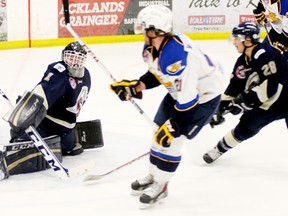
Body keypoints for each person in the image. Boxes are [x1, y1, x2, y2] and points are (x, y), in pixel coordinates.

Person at [110, 5, 223, 208]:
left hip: (203, 97)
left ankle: (162, 185)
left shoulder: (178, 57)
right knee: (157, 132)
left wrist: (174, 127)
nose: (141, 32)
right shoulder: (153, 47)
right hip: (180, 93)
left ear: (155, 30)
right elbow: (158, 74)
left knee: (172, 140)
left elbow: (189, 101)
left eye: (145, 28)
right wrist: (136, 86)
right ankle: (154, 176)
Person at [0, 41, 92, 180]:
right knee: (67, 144)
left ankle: (19, 139)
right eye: (70, 57)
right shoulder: (86, 75)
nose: (74, 63)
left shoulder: (59, 71)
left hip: (47, 125)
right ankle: (69, 144)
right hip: (67, 130)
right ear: (64, 56)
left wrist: (27, 110)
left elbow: (42, 93)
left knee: (20, 137)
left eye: (77, 59)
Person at [203, 22, 288, 164]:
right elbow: (234, 86)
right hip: (269, 104)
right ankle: (219, 149)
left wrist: (245, 101)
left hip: (285, 96)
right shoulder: (242, 61)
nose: (234, 42)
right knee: (247, 126)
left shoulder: (264, 54)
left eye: (237, 38)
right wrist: (220, 107)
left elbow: (271, 86)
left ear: (248, 40)